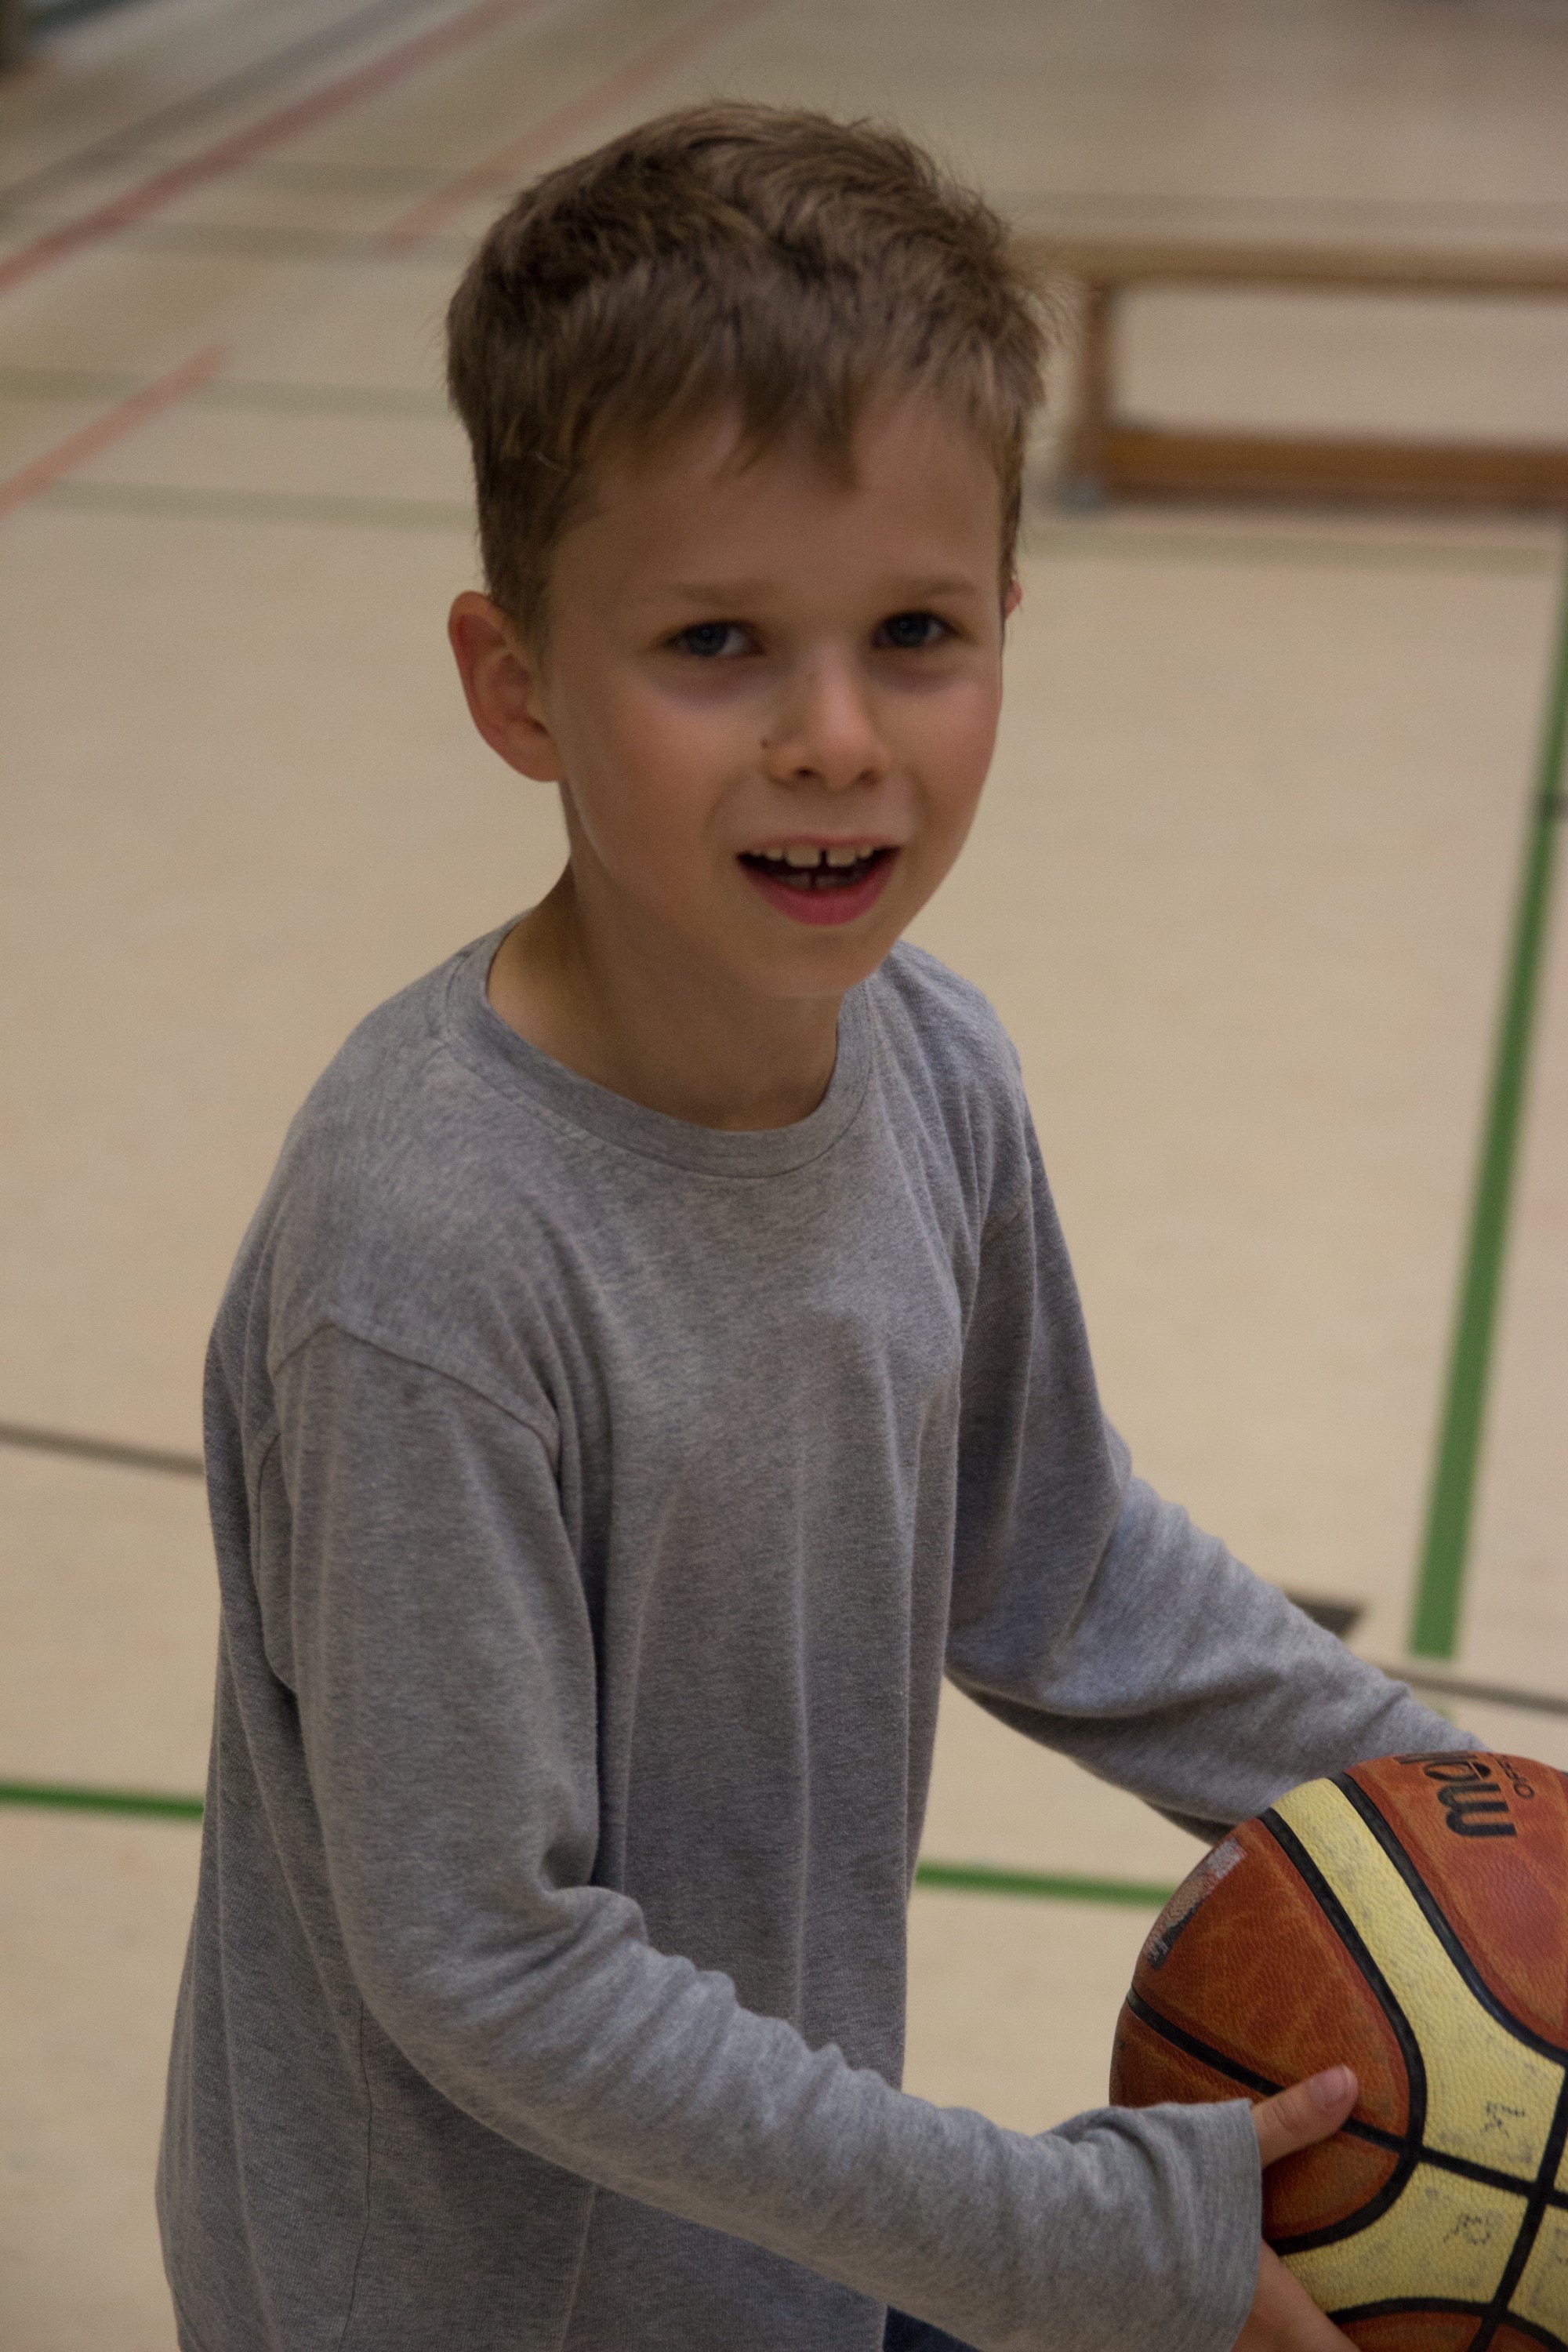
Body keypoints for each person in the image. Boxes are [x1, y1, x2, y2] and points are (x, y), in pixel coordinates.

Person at [156, 101, 1475, 2352]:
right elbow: (491, 1961)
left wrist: (1472, 1831)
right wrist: (1068, 2240)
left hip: (775, 2257)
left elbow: (1059, 1565)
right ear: (514, 683)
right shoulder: (426, 1251)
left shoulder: (932, 1065)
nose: (838, 738)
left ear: (1008, 627)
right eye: (717, 642)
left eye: (916, 631)